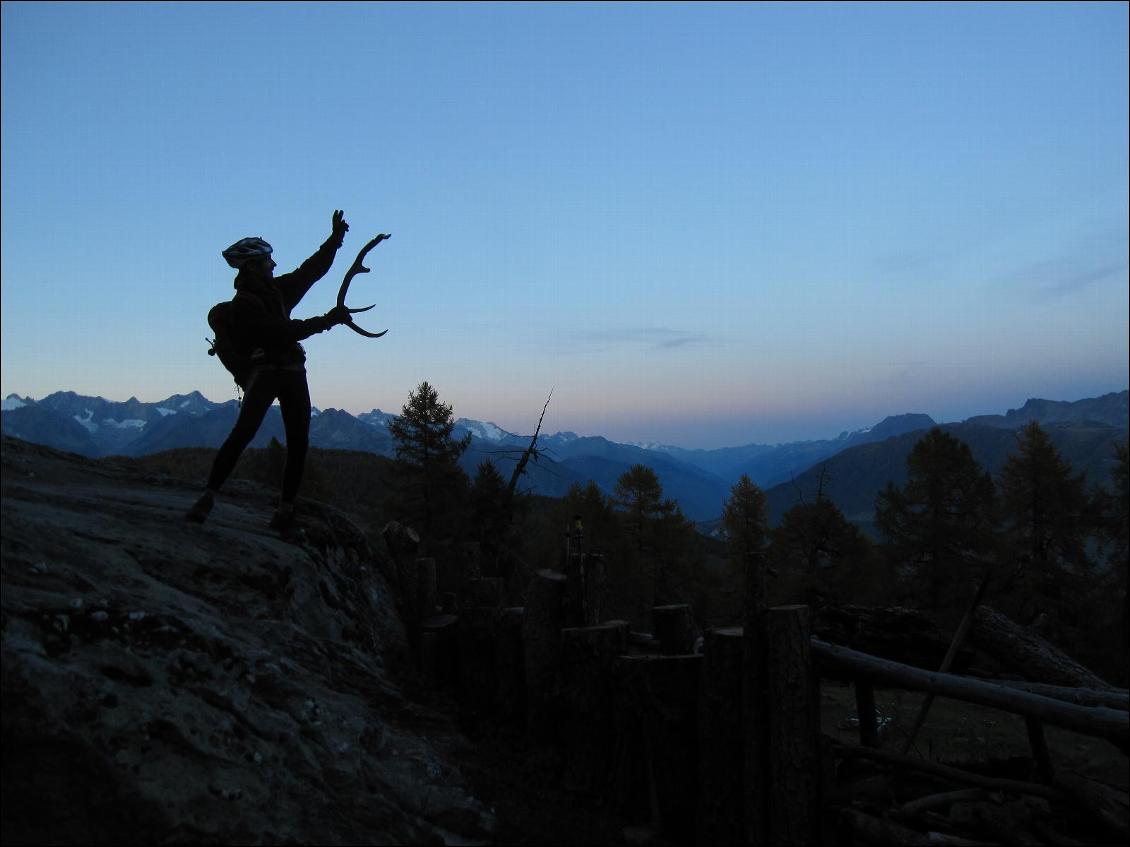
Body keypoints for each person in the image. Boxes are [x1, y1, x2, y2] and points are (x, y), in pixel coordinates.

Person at [185, 210, 354, 533]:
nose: (274, 265)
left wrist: (335, 239)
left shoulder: (276, 291)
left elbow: (312, 270)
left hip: (276, 373)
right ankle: (217, 499)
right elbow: (280, 333)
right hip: (279, 372)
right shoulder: (245, 305)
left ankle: (221, 500)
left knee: (264, 437)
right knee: (265, 437)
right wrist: (327, 320)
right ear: (253, 266)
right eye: (268, 261)